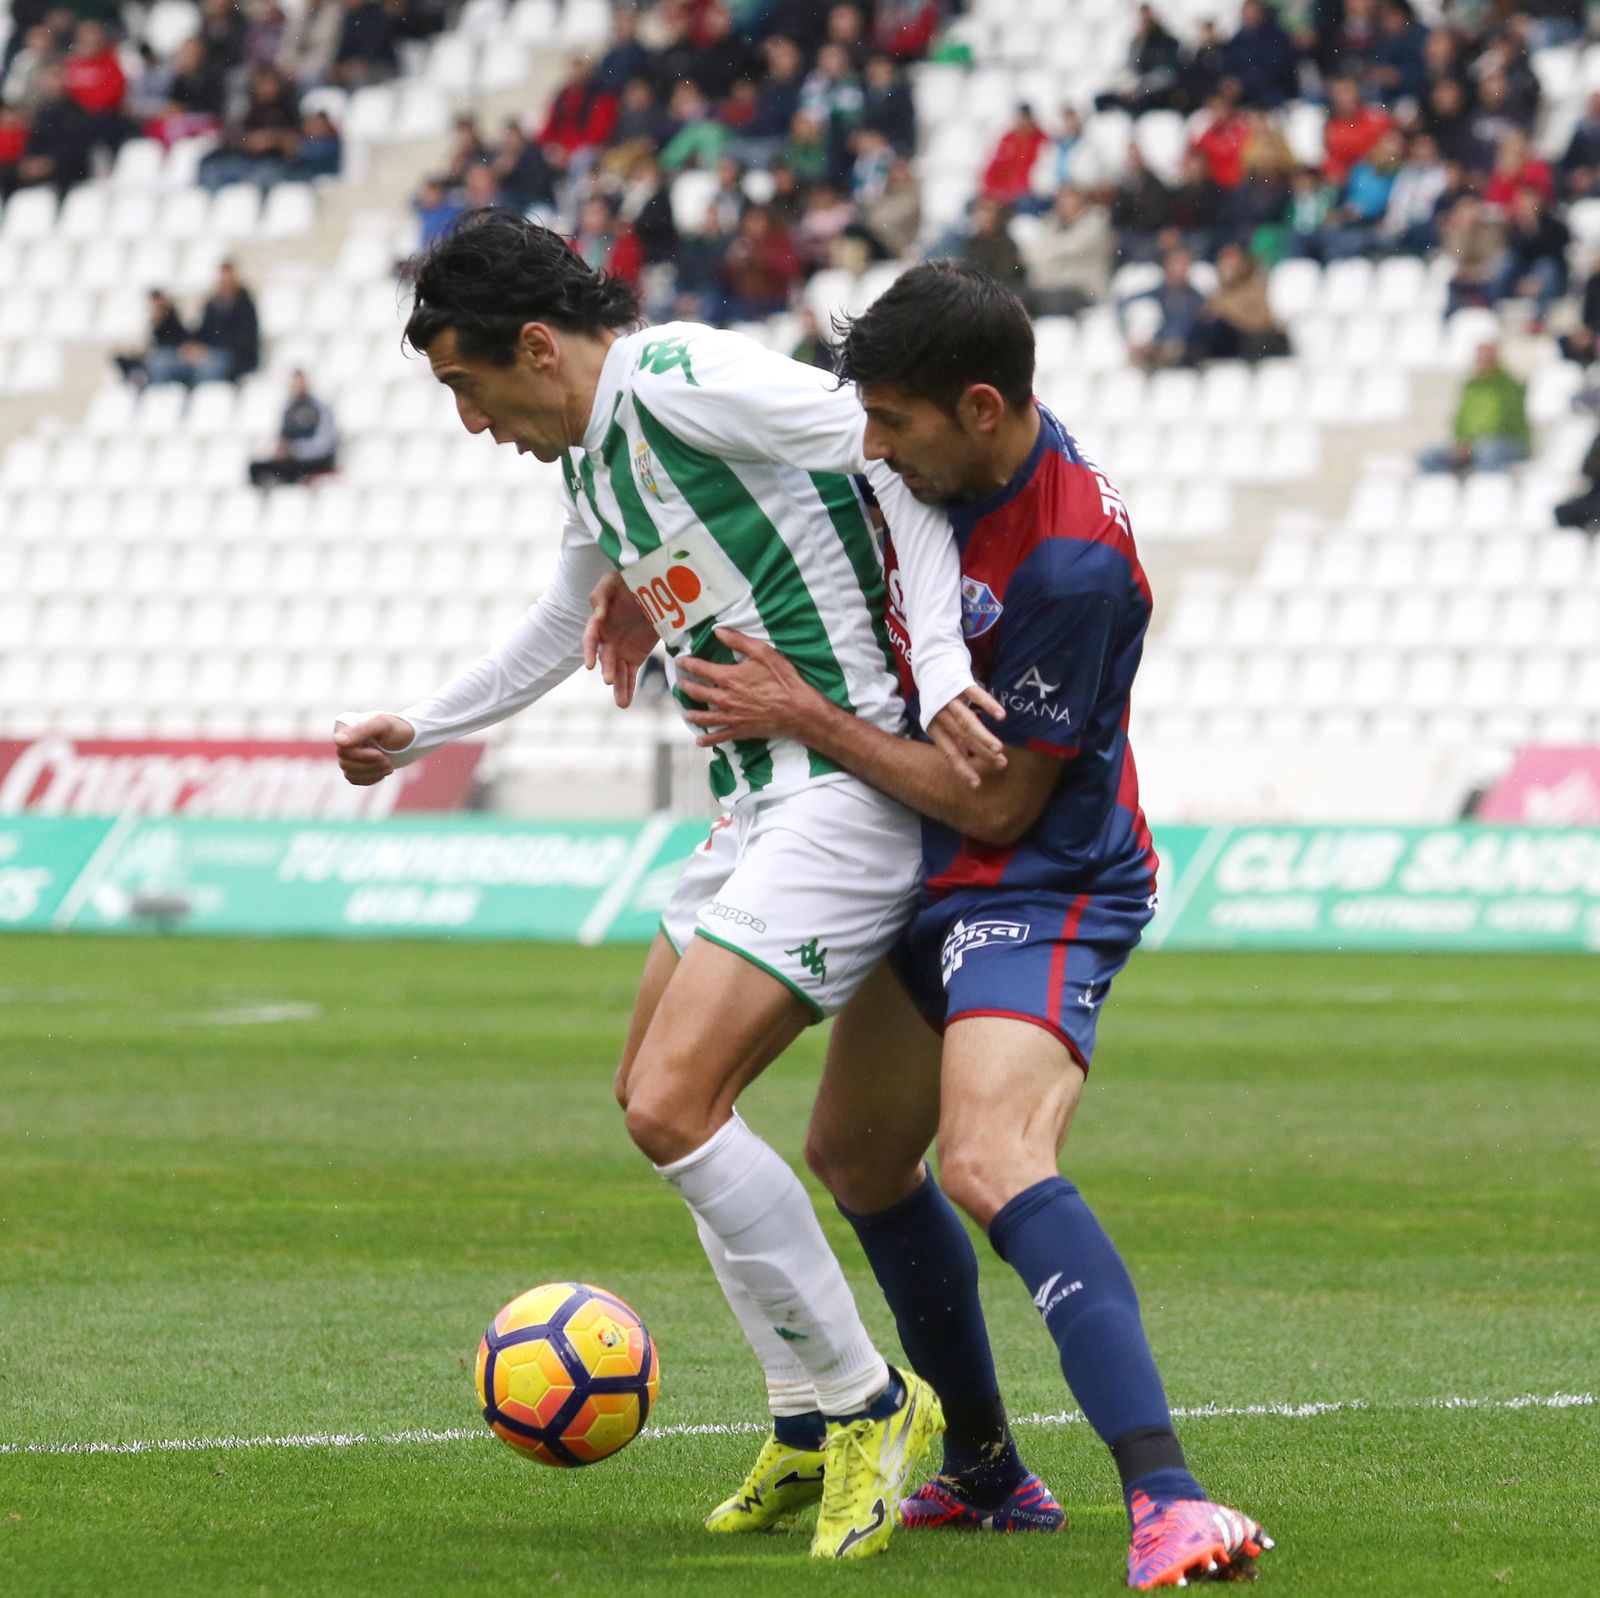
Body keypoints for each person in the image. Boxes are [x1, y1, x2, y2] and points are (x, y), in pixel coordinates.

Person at [330, 208, 1015, 1562]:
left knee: (673, 1101)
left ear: (536, 345)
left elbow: (897, 465)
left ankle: (880, 1402)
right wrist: (421, 725)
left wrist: (938, 667)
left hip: (847, 792)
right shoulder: (594, 461)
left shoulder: (684, 379)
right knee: (653, 1087)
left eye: (467, 386)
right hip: (750, 806)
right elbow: (549, 626)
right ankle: (807, 1417)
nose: (470, 422)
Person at [653, 261, 1274, 1589]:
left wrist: (806, 718)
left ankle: (1170, 1494)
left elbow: (996, 805)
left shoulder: (1074, 565)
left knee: (991, 1156)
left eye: (894, 421)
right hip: (923, 866)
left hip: (1040, 881)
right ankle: (988, 1470)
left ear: (980, 407)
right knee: (859, 1155)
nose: (870, 446)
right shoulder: (936, 478)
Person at [1419, 341, 1530, 473]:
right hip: (1473, 445)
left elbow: (1505, 423)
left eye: (1486, 360)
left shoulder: (1509, 386)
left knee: (1488, 452)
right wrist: (1461, 443)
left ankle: (1488, 489)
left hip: (1508, 442)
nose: (1481, 364)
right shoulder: (1470, 387)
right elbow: (1460, 420)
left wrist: (1471, 445)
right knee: (1430, 456)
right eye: (1479, 359)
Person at [149, 261, 261, 384]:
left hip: (234, 360)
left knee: (209, 367)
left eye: (228, 278)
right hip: (208, 356)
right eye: (222, 279)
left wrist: (207, 350)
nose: (225, 283)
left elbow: (244, 342)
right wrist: (168, 318)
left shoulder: (246, 306)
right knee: (161, 360)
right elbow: (201, 333)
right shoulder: (212, 305)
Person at [249, 369, 338, 486]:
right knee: (257, 468)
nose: (297, 387)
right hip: (293, 461)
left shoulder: (320, 409)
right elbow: (282, 439)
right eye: (294, 384)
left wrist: (296, 449)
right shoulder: (289, 410)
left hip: (315, 461)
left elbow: (324, 444)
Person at [114, 289, 189, 388]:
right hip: (156, 355)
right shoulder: (154, 322)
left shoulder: (171, 318)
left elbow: (177, 341)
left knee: (159, 362)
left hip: (168, 356)